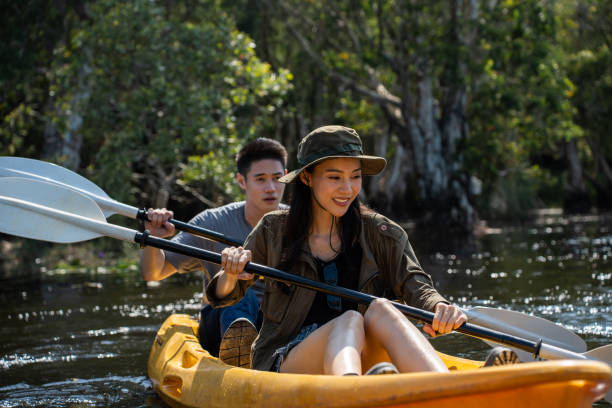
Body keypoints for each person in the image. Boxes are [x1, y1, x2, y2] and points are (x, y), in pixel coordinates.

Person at [206, 125, 515, 375]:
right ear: (307, 177)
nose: (347, 189)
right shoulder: (274, 230)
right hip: (289, 359)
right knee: (350, 320)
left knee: (381, 307)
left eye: (355, 177)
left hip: (369, 356)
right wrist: (231, 272)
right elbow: (227, 294)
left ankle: (446, 388)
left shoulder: (382, 232)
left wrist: (440, 308)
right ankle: (354, 391)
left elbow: (417, 286)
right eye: (335, 178)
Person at [140, 137, 288, 368]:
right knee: (239, 295)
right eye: (260, 179)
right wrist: (154, 238)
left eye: (277, 178)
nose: (271, 187)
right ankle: (239, 353)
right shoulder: (211, 223)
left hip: (276, 324)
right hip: (220, 324)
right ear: (242, 181)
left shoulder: (300, 224)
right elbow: (154, 273)